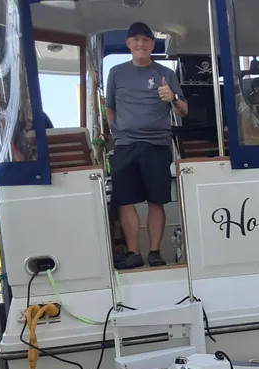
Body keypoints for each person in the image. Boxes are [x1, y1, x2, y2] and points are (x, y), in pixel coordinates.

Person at [106, 22, 188, 269]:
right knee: (125, 201)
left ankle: (154, 252)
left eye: (146, 40)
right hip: (125, 145)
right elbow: (110, 107)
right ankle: (133, 253)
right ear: (129, 44)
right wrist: (116, 131)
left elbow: (184, 111)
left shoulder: (166, 73)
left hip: (157, 145)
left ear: (153, 44)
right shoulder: (116, 73)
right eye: (135, 40)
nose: (141, 44)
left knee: (156, 201)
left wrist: (172, 98)